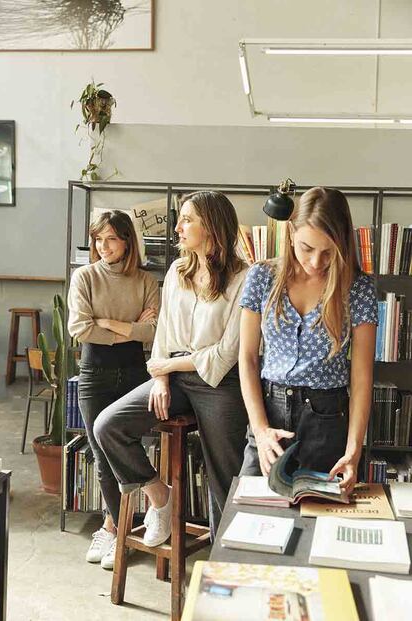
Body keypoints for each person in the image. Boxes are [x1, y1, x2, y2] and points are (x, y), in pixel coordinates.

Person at [93, 190, 249, 543]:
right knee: (108, 427)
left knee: (225, 478)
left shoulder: (245, 278)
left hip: (221, 383)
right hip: (175, 376)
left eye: (187, 219)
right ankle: (160, 497)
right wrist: (161, 376)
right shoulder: (179, 270)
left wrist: (166, 365)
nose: (177, 227)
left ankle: (227, 558)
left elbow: (226, 353)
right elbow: (163, 331)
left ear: (211, 225)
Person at [239, 187, 378, 496]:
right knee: (250, 513)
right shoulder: (261, 276)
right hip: (269, 412)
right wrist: (260, 432)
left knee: (318, 521)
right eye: (306, 248)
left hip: (327, 417)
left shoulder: (359, 288)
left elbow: (361, 376)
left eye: (328, 252)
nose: (316, 261)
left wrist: (354, 451)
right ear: (291, 234)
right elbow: (247, 358)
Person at [68, 210, 159, 569]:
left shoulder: (145, 280)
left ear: (127, 241)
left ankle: (114, 525)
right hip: (94, 372)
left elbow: (153, 333)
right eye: (98, 239)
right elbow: (80, 328)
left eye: (112, 239)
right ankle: (119, 529)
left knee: (125, 447)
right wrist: (130, 327)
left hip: (136, 372)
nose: (104, 247)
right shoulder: (84, 277)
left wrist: (106, 322)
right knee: (101, 453)